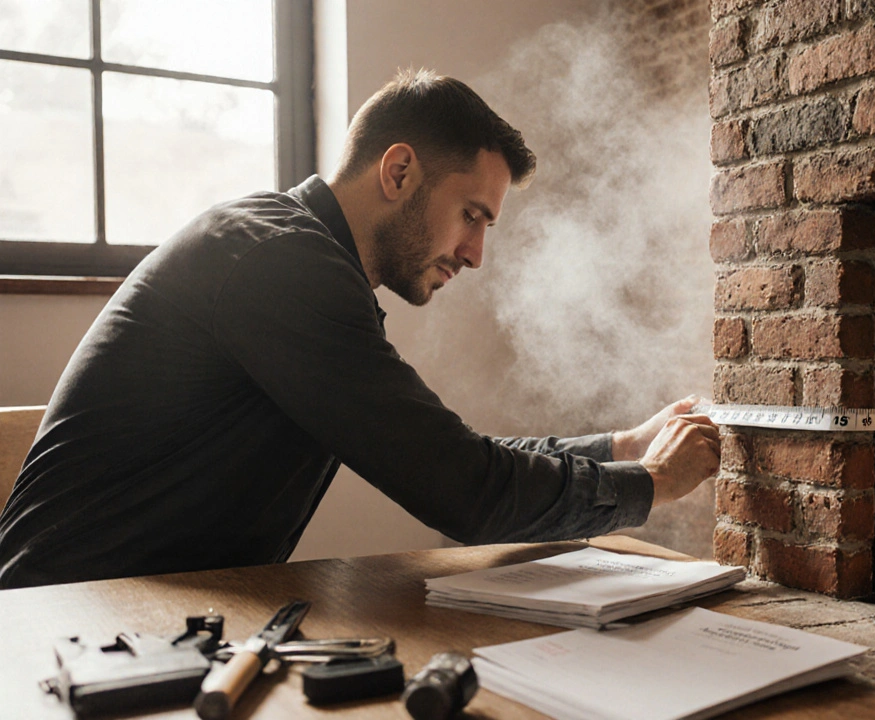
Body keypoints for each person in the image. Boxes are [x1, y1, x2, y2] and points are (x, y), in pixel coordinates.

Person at [0, 69, 721, 589]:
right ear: (399, 171)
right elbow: (464, 493)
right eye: (472, 214)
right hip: (64, 626)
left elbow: (448, 456)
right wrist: (649, 484)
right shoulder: (278, 264)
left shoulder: (302, 261)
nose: (476, 254)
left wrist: (622, 447)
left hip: (155, 616)